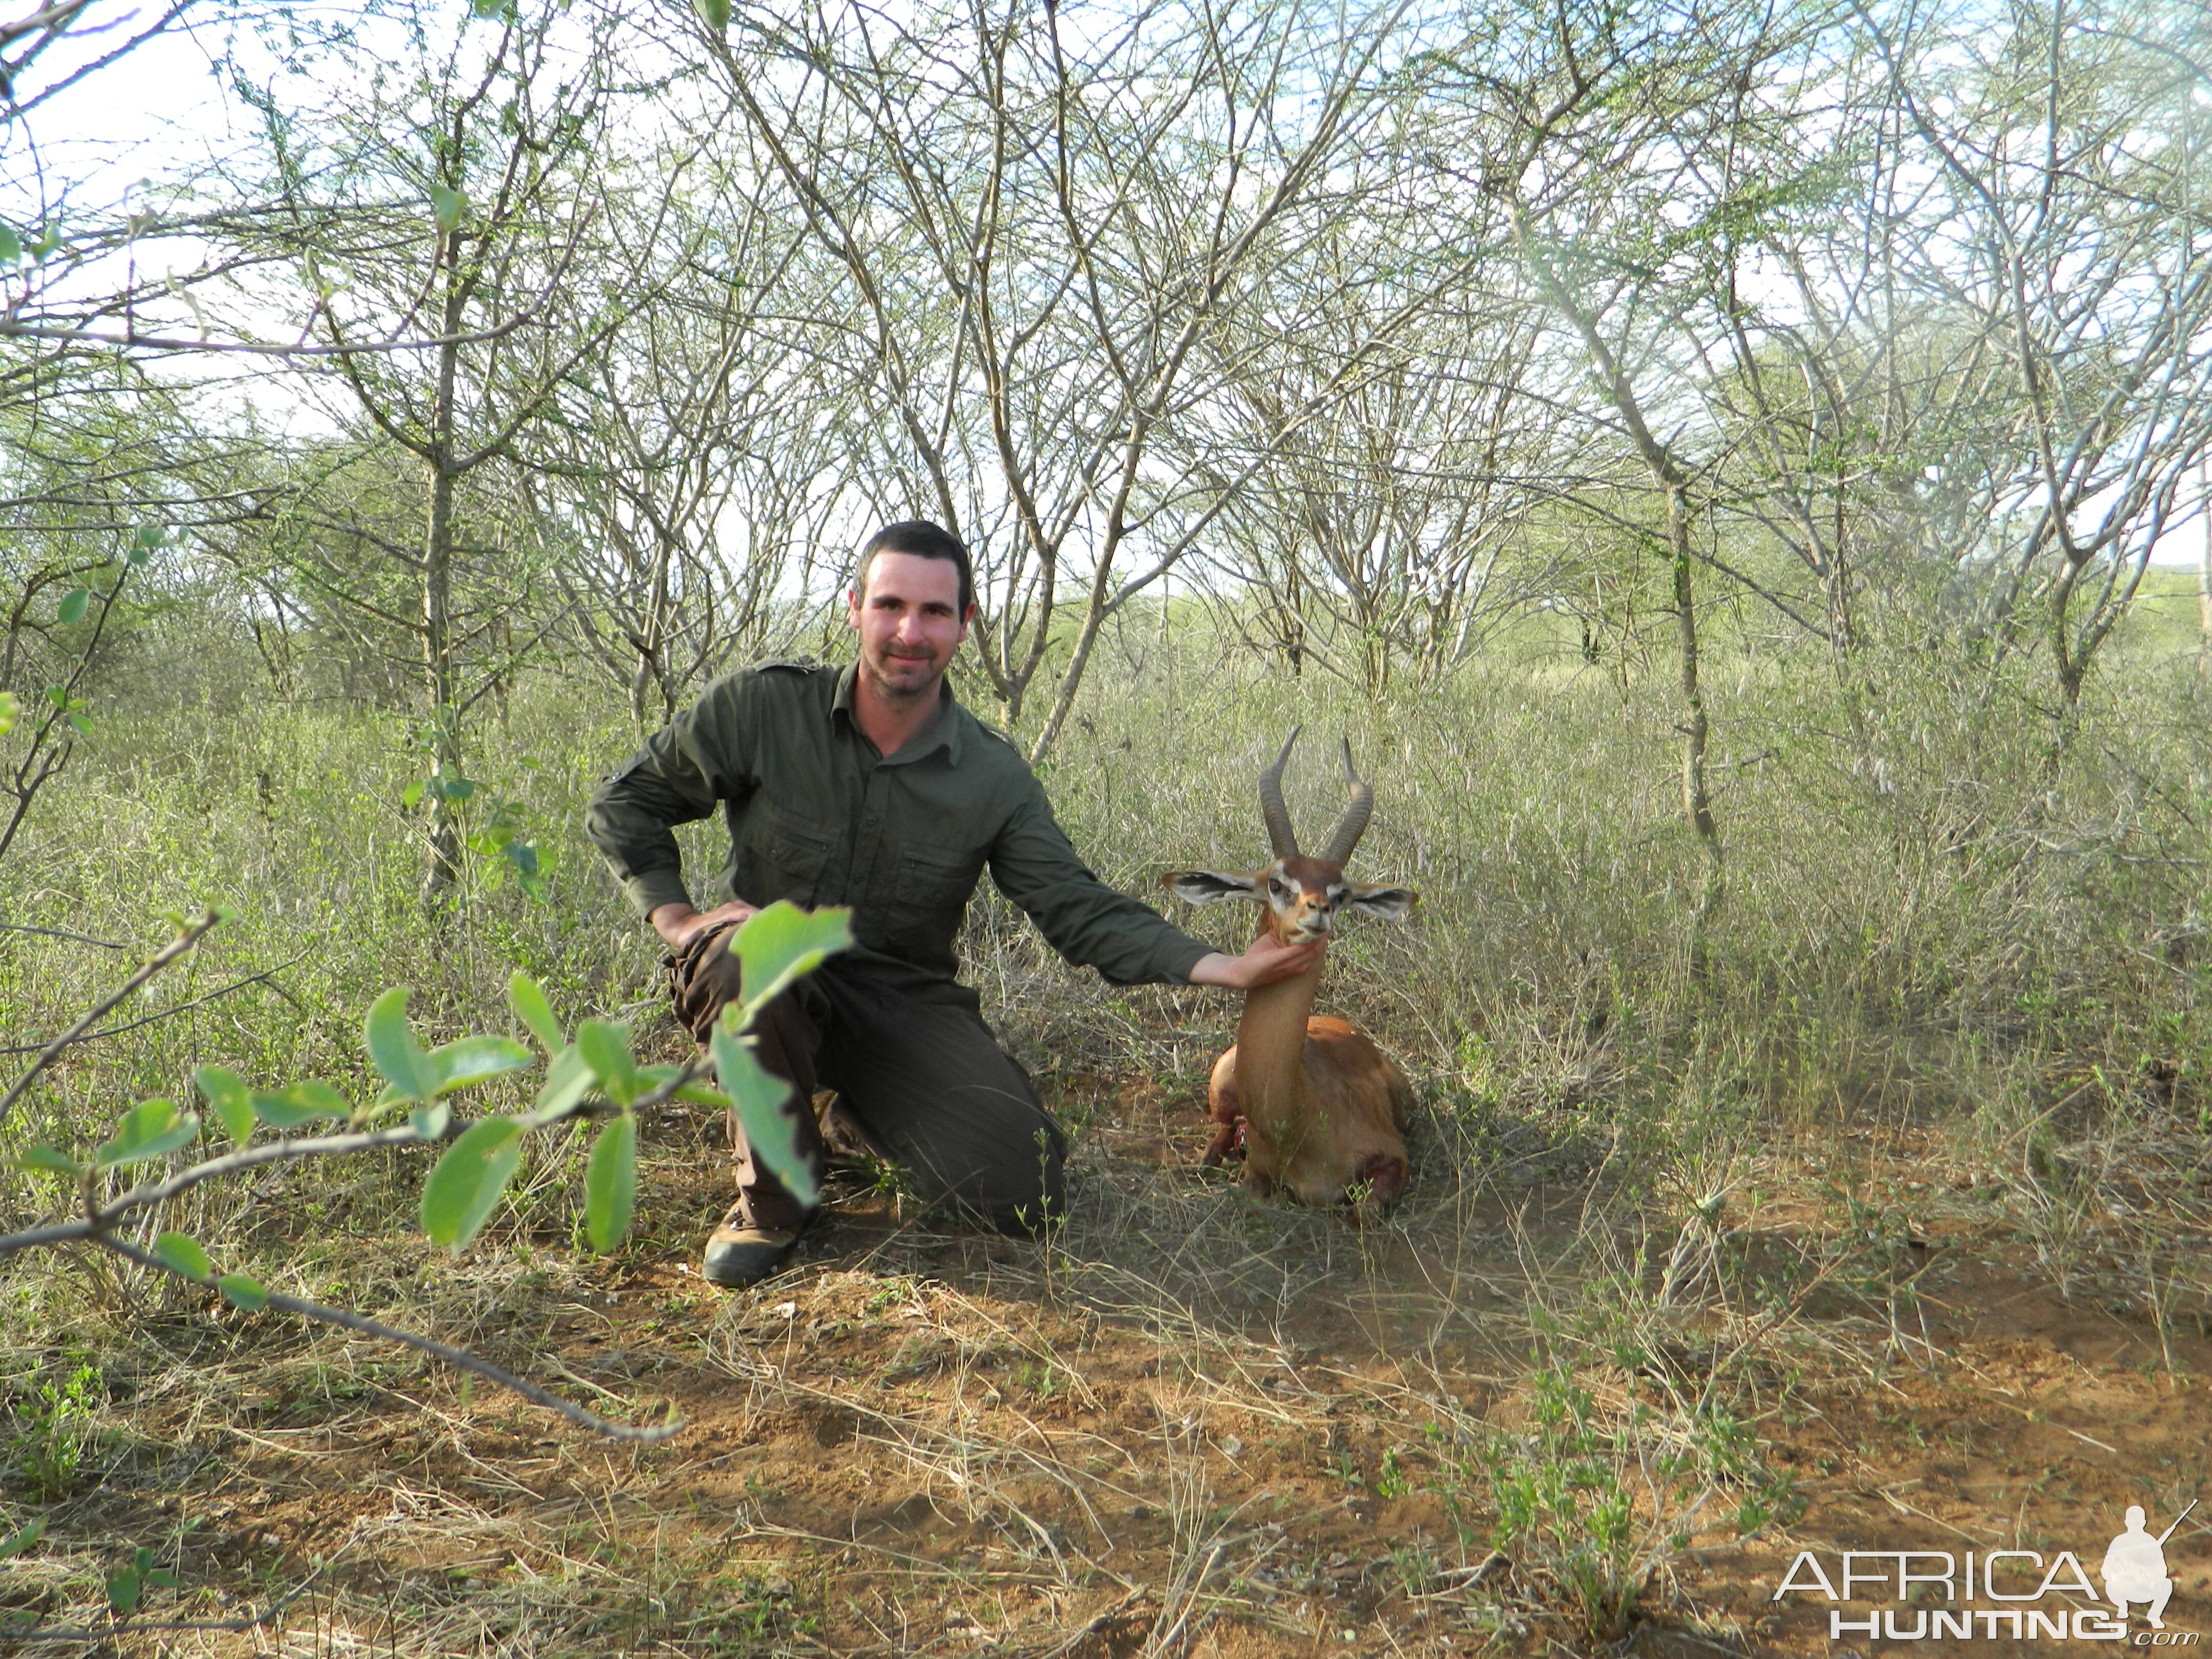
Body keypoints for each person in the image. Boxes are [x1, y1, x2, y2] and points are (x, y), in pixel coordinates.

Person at [585, 520, 1320, 1287]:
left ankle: (841, 1113)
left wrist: (1224, 966)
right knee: (740, 960)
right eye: (891, 605)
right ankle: (776, 1202)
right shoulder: (762, 708)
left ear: (965, 625)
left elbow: (1074, 905)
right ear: (854, 608)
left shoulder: (992, 775)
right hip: (771, 979)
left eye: (936, 612)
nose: (910, 632)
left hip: (900, 1000)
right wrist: (678, 919)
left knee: (1023, 1191)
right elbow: (625, 805)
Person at [2101, 1505, 2174, 1628]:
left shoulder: (2151, 1541)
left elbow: (2163, 1570)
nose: (2135, 1525)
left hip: (2144, 1588)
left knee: (2167, 1584)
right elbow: (2106, 1570)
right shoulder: (2119, 1541)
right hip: (2123, 1586)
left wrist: (2147, 1571)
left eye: (2138, 1522)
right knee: (2112, 1584)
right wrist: (2124, 1570)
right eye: (2132, 1522)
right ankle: (2122, 1607)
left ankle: (2155, 1615)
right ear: (2126, 1522)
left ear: (2144, 1522)